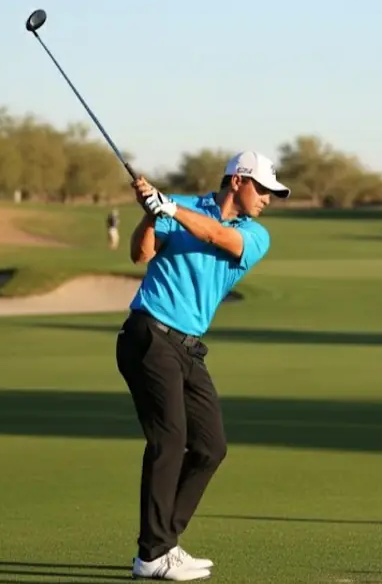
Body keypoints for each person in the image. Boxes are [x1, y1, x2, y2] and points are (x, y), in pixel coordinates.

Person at [116, 150, 290, 581]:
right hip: (149, 334)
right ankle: (154, 553)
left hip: (188, 348)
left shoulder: (254, 235)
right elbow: (140, 254)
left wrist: (169, 207)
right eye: (263, 189)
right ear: (238, 182)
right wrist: (150, 215)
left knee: (211, 446)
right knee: (170, 439)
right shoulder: (179, 206)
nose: (268, 198)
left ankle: (163, 545)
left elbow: (217, 236)